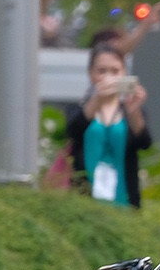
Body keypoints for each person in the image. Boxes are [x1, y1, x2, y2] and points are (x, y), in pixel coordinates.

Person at [62, 45, 150, 208]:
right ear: (91, 73)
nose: (108, 77)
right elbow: (73, 132)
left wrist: (133, 112)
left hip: (124, 198)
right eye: (101, 71)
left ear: (124, 73)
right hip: (85, 198)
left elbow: (144, 142)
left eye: (115, 71)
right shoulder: (80, 108)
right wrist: (97, 99)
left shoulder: (130, 110)